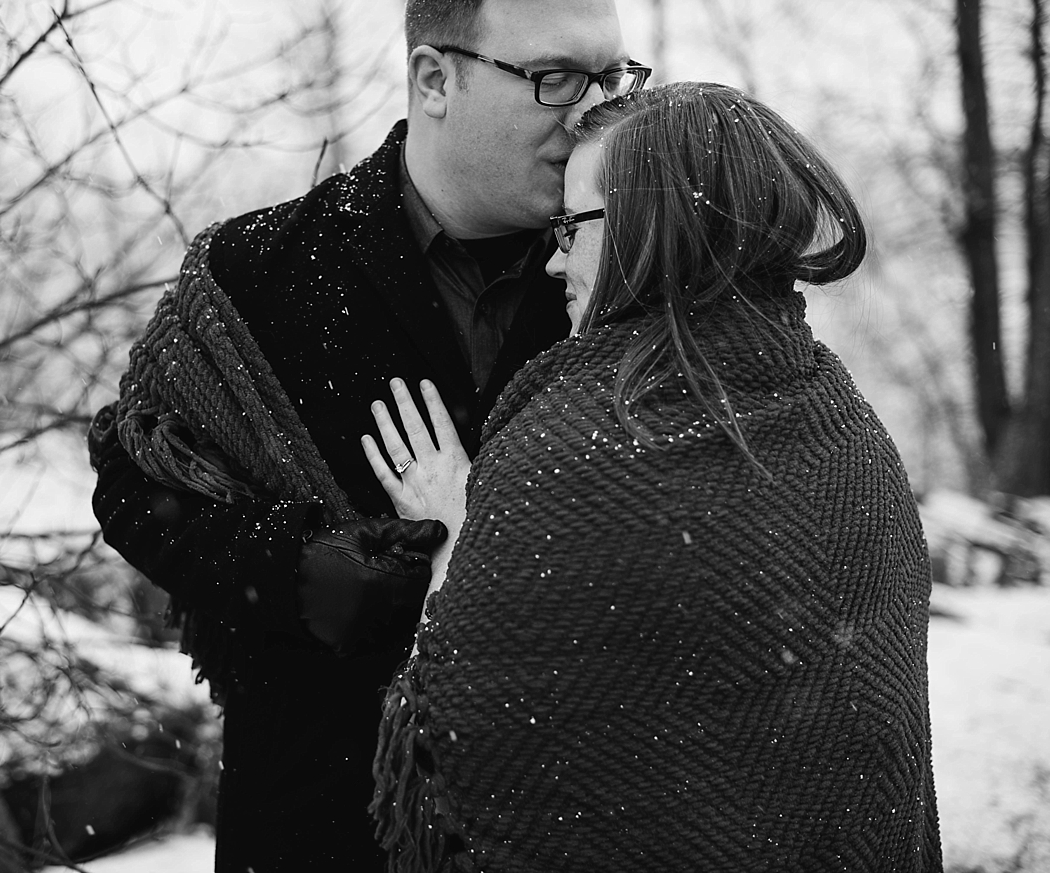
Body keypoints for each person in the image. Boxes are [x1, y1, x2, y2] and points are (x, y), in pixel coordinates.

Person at [86, 1, 646, 869]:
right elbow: (134, 470)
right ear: (434, 80)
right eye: (556, 78)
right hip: (315, 822)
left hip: (558, 824)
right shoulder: (260, 270)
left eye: (611, 78)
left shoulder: (629, 275)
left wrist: (485, 541)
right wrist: (304, 571)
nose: (593, 112)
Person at [368, 82, 943, 872]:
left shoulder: (574, 455)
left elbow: (460, 751)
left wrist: (457, 546)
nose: (554, 257)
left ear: (653, 227)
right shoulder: (842, 423)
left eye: (572, 226)